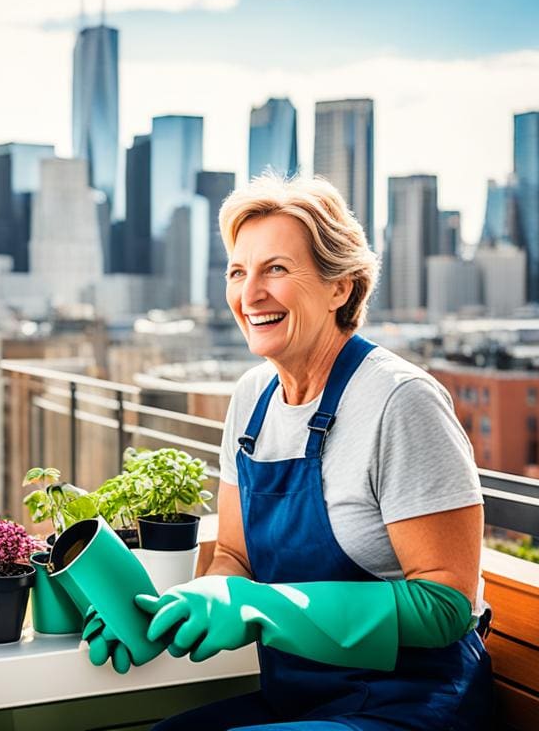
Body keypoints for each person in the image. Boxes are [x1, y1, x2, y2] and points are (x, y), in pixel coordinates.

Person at [83, 174, 493, 729]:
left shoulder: (400, 401)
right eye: (237, 271)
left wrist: (258, 608)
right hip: (296, 696)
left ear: (340, 288)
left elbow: (445, 606)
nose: (249, 294)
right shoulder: (253, 398)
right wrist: (164, 611)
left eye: (275, 269)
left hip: (409, 704)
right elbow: (235, 556)